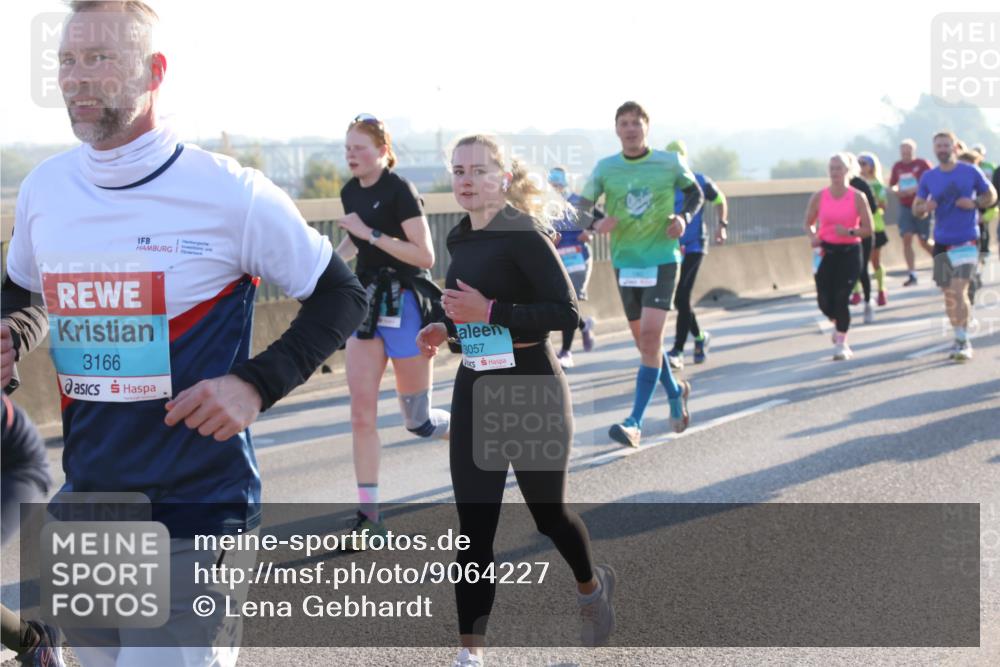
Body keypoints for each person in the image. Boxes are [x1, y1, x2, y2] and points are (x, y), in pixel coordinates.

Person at [1, 2, 367, 664]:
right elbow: (23, 289)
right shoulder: (43, 190)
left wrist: (255, 383)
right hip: (89, 508)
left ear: (154, 70)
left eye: (100, 59)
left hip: (195, 516)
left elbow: (344, 294)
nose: (77, 79)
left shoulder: (229, 194)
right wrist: (15, 333)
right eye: (66, 61)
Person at [416, 135, 615, 666]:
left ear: (502, 178)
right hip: (477, 388)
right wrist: (446, 329)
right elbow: (474, 324)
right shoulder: (460, 239)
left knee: (548, 516)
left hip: (532, 388)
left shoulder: (523, 233)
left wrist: (491, 309)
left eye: (479, 170)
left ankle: (591, 587)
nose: (466, 179)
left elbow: (566, 313)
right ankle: (470, 656)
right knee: (474, 528)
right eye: (458, 170)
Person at [334, 114, 449, 542]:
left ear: (382, 151)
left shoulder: (400, 190)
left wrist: (371, 232)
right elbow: (354, 242)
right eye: (347, 148)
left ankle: (479, 443)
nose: (351, 155)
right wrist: (324, 262)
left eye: (359, 148)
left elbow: (425, 256)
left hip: (405, 305)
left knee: (417, 421)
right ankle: (369, 514)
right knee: (361, 412)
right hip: (365, 306)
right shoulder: (349, 191)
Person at [573, 102, 704, 447]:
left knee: (649, 337)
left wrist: (683, 220)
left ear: (647, 127)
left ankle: (634, 422)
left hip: (662, 259)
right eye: (624, 123)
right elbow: (578, 207)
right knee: (646, 345)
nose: (630, 129)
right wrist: (596, 222)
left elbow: (696, 194)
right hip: (625, 262)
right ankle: (675, 392)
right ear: (616, 129)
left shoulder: (669, 162)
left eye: (636, 123)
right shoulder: (606, 168)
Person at [914, 132, 997, 361]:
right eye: (938, 145)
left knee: (959, 290)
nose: (942, 149)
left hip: (966, 238)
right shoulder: (929, 177)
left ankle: (963, 340)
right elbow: (916, 207)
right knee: (949, 294)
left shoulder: (970, 171)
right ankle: (958, 333)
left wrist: (974, 203)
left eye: (946, 145)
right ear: (934, 149)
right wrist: (924, 207)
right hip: (942, 240)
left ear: (954, 147)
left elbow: (991, 195)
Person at [663, 140, 728, 370]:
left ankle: (678, 350)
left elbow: (720, 200)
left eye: (678, 159)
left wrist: (722, 224)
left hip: (695, 245)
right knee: (679, 299)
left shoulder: (699, 181)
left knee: (682, 296)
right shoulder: (663, 184)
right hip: (670, 247)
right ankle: (700, 338)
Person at [804, 153, 874, 360]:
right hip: (826, 251)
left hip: (850, 251)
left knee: (842, 297)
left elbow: (868, 229)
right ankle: (838, 323)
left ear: (847, 171)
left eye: (839, 168)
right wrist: (813, 236)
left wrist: (850, 232)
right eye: (832, 168)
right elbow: (808, 222)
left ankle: (842, 343)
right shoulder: (819, 196)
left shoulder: (857, 196)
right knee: (825, 301)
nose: (835, 172)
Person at [547, 166, 597, 368]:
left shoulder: (577, 202)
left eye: (559, 184)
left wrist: (589, 234)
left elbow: (598, 222)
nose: (556, 187)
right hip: (556, 260)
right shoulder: (544, 206)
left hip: (578, 258)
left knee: (570, 301)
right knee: (560, 305)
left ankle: (566, 351)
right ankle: (584, 326)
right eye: (553, 184)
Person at [889, 139, 934, 286]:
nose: (906, 154)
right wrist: (898, 191)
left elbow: (932, 182)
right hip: (905, 206)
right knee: (906, 237)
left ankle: (942, 262)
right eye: (903, 151)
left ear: (913, 151)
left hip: (921, 206)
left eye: (908, 151)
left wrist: (915, 190)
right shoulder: (897, 166)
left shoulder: (922, 164)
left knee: (923, 241)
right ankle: (912, 274)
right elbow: (893, 185)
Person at [844, 153, 879, 323]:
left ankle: (867, 302)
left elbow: (872, 208)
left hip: (862, 233)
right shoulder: (835, 188)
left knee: (861, 268)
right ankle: (842, 304)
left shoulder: (861, 185)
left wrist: (856, 221)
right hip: (842, 235)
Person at [856, 152, 890, 307]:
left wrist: (871, 205)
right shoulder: (853, 184)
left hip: (875, 227)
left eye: (864, 163)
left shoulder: (877, 184)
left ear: (872, 166)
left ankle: (881, 290)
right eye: (859, 163)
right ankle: (856, 292)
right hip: (858, 227)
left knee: (875, 261)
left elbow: (883, 205)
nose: (861, 166)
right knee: (857, 261)